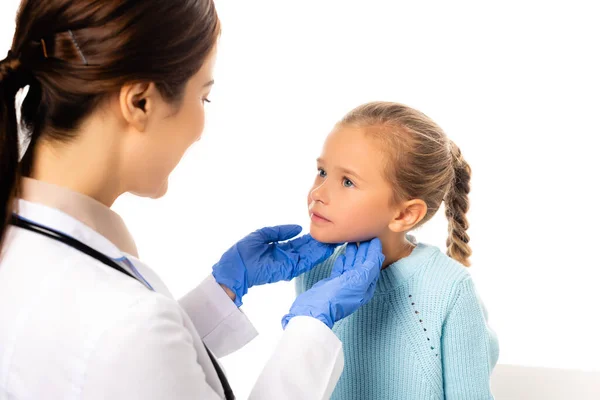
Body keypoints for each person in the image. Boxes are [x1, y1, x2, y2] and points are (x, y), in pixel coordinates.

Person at [0, 1, 384, 399]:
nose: (200, 130)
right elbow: (127, 350)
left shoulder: (20, 248)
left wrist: (223, 290)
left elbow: (123, 373)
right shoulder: (128, 325)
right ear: (140, 102)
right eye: (204, 97)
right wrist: (310, 328)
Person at [296, 101, 500, 399]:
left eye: (348, 181)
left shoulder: (449, 289)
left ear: (405, 215)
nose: (318, 193)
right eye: (322, 171)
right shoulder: (317, 271)